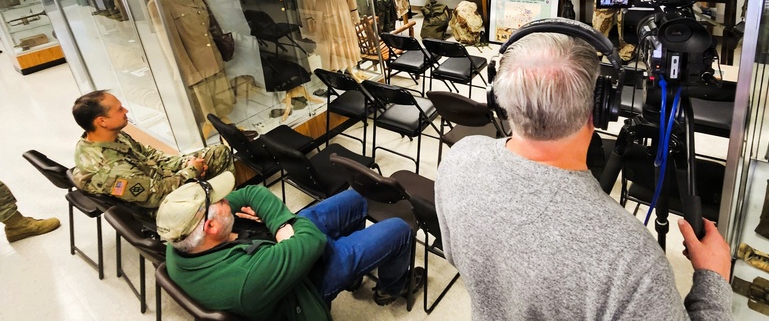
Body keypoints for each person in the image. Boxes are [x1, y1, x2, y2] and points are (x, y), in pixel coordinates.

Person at [436, 28, 732, 320]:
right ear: (602, 107)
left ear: (499, 99)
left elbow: (458, 256)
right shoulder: (630, 258)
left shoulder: (460, 158)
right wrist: (713, 279)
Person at [157, 172, 423, 319]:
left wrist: (281, 225)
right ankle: (389, 289)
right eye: (222, 202)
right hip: (305, 284)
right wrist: (285, 228)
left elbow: (252, 192)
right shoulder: (244, 280)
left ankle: (353, 279)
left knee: (358, 196)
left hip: (282, 244)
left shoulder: (179, 237)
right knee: (399, 229)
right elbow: (312, 241)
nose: (228, 199)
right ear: (211, 227)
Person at [71, 90, 234, 211]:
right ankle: (220, 213)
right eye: (119, 109)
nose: (126, 111)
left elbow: (149, 155)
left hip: (156, 179)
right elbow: (156, 196)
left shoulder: (109, 136)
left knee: (218, 152)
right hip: (158, 208)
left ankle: (221, 205)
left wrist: (185, 163)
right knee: (210, 170)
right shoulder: (111, 170)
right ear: (102, 121)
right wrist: (192, 171)